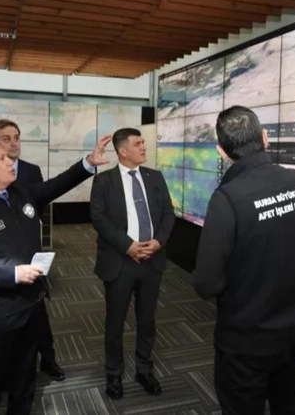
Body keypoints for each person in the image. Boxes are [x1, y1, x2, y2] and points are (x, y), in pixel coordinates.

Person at [0, 134, 112, 415]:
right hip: (0, 313)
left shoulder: (21, 193)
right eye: (2, 158)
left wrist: (88, 163)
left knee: (25, 379)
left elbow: (57, 184)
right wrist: (12, 274)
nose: (10, 161)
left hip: (32, 305)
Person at [191, 106, 295, 415]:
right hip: (292, 329)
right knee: (288, 405)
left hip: (245, 341)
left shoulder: (228, 198)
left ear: (222, 152)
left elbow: (206, 283)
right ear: (265, 138)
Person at [0, 119, 64, 381]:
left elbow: (42, 197)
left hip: (32, 276)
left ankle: (47, 360)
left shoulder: (28, 174)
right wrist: (13, 271)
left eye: (16, 137)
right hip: (0, 295)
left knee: (31, 345)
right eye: (5, 140)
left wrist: (87, 165)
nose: (13, 145)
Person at [89, 128, 175, 400]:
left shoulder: (155, 177)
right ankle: (114, 373)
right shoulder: (104, 181)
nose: (144, 147)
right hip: (120, 262)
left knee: (147, 320)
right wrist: (127, 246)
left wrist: (158, 242)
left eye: (143, 143)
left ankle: (144, 369)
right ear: (123, 150)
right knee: (115, 321)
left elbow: (168, 214)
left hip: (151, 260)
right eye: (138, 144)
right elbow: (99, 218)